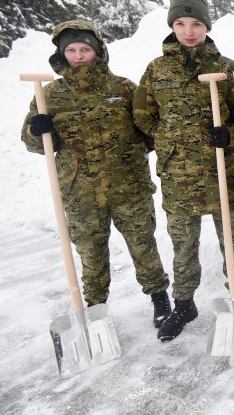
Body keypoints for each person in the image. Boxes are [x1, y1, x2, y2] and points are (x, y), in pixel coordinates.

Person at [21, 19, 171, 329]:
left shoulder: (124, 89)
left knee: (144, 247)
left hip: (128, 187)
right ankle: (96, 307)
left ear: (98, 51)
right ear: (63, 54)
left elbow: (149, 132)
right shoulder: (49, 96)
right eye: (72, 50)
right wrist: (39, 131)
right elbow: (34, 144)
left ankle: (159, 299)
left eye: (85, 49)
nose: (78, 55)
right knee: (91, 256)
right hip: (80, 194)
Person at [133, 0, 234, 342]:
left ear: (206, 26)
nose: (189, 30)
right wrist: (169, 139)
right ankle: (183, 303)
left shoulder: (226, 68)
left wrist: (228, 135)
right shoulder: (156, 70)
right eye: (181, 23)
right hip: (179, 177)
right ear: (172, 25)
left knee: (233, 243)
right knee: (184, 246)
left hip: (223, 174)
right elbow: (142, 114)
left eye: (196, 23)